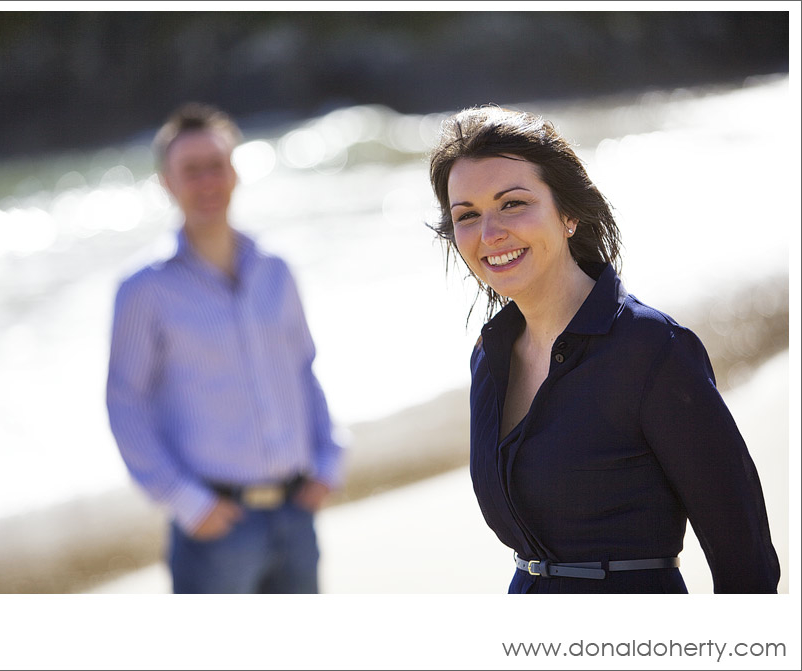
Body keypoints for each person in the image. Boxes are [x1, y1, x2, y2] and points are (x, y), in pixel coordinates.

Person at [427, 105, 779, 593]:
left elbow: (747, 562)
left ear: (568, 213)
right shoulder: (489, 359)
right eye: (467, 215)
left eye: (512, 204)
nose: (489, 234)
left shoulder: (653, 351)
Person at [106, 102, 344, 593]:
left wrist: (329, 460)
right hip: (215, 528)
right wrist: (185, 501)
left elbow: (304, 368)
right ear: (166, 183)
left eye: (216, 166)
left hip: (297, 513)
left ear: (234, 172)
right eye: (190, 171)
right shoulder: (143, 289)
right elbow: (124, 400)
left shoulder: (276, 268)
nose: (207, 182)